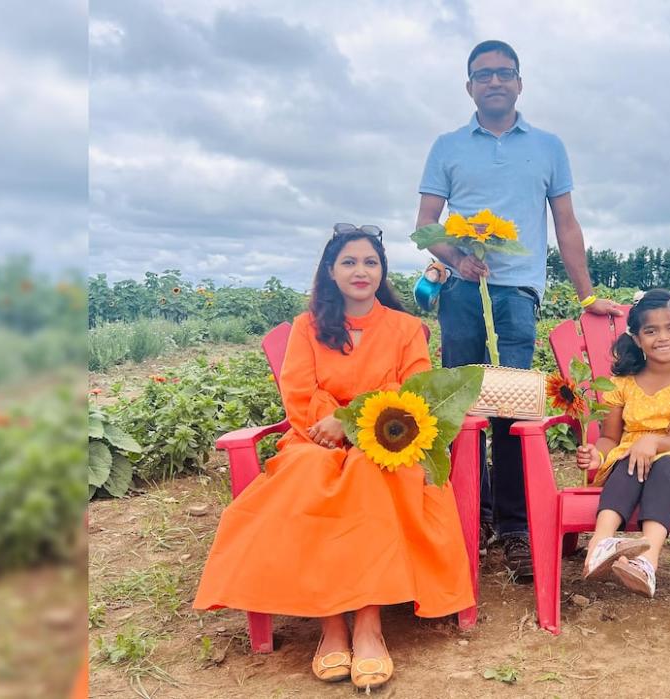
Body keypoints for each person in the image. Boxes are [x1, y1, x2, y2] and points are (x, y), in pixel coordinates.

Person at [193, 225, 474, 691]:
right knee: (308, 471)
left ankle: (367, 623)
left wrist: (352, 421)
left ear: (382, 271)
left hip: (388, 441)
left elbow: (411, 395)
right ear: (330, 271)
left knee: (367, 471)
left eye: (370, 262)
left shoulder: (406, 330)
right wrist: (336, 426)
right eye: (349, 262)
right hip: (314, 441)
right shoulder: (308, 328)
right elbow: (300, 396)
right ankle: (331, 625)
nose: (360, 270)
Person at [416, 39, 622, 579]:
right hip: (462, 293)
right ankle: (465, 515)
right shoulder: (447, 146)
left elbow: (567, 225)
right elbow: (426, 224)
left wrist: (587, 294)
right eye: (483, 75)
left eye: (504, 73)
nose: (494, 82)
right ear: (469, 87)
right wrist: (456, 258)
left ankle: (512, 526)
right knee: (461, 405)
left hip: (518, 295)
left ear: (519, 82)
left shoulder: (549, 147)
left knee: (513, 406)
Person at [574, 289, 670, 598]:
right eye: (651, 331)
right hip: (630, 461)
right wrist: (597, 455)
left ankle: (647, 562)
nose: (663, 337)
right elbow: (610, 437)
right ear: (637, 339)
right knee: (628, 458)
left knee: (662, 462)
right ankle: (600, 544)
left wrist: (650, 441)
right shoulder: (622, 384)